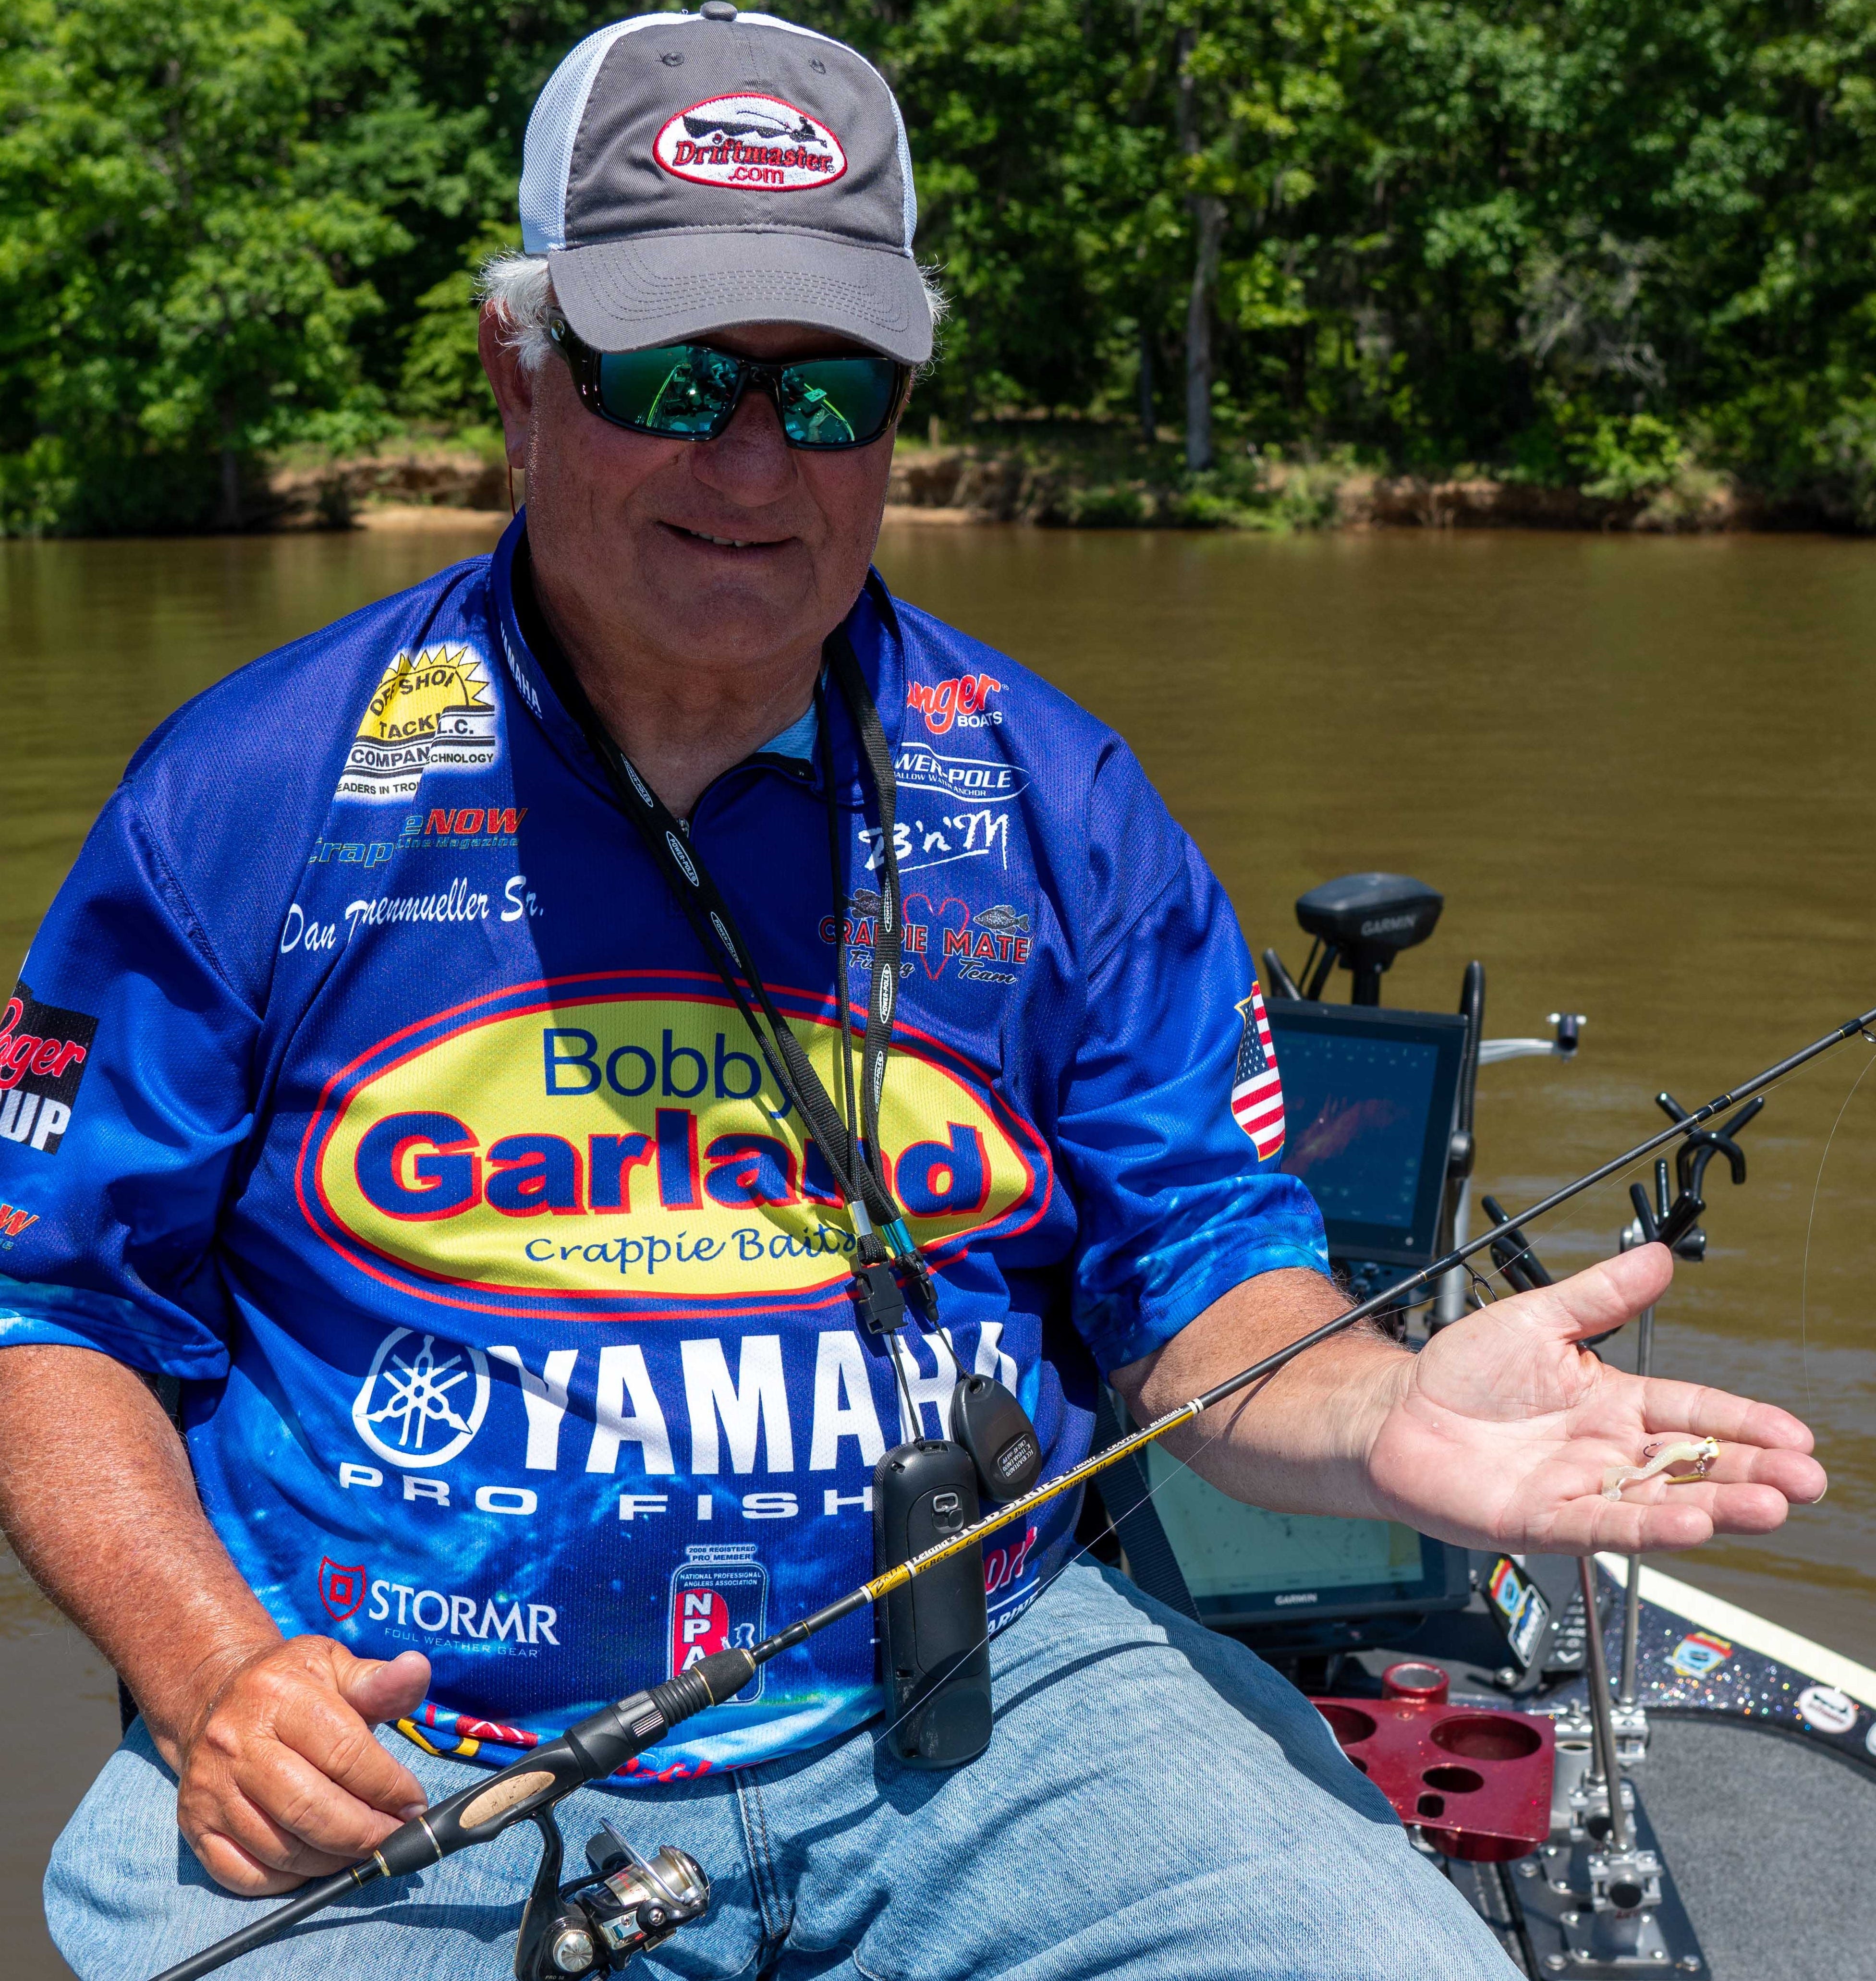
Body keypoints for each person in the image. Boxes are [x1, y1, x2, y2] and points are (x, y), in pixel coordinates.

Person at [0, 11, 1823, 1979]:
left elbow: (1199, 1272)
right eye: (669, 373)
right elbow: (46, 1300)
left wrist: (1378, 1410)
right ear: (513, 377)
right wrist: (208, 1680)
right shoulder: (251, 794)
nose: (749, 461)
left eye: (829, 391)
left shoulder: (1059, 803)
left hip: (989, 1693)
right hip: (385, 1732)